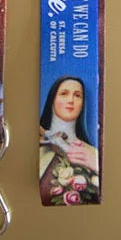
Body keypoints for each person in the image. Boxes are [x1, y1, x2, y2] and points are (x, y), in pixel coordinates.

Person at [39, 76, 100, 204]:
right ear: (52, 99)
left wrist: (96, 164)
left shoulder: (92, 154)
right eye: (64, 94)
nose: (71, 100)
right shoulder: (39, 146)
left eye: (77, 96)